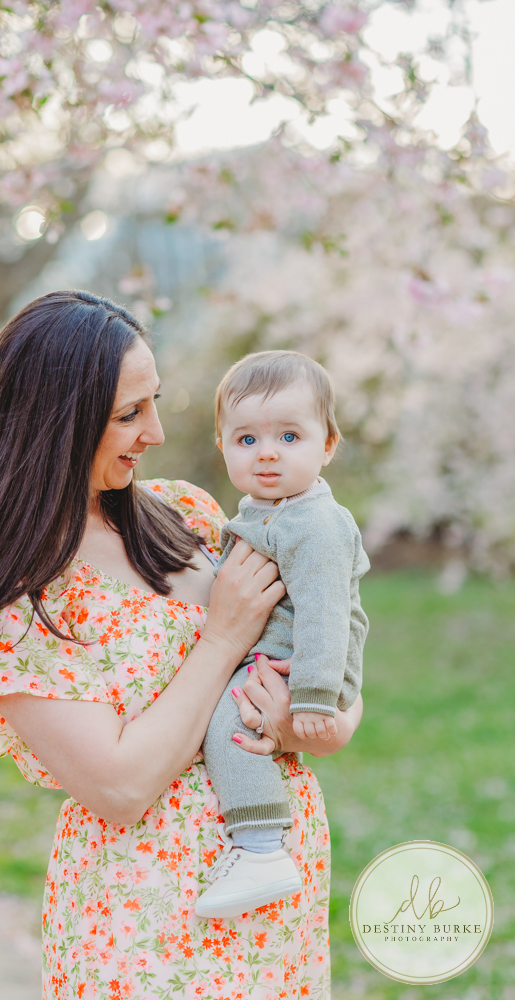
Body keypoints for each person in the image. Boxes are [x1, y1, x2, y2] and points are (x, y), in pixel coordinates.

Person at [0, 291, 363, 999]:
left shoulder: (185, 514)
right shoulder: (18, 595)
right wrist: (220, 637)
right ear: (53, 421)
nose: (154, 431)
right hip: (146, 920)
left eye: (153, 402)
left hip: (277, 895)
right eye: (128, 413)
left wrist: (311, 721)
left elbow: (324, 664)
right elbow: (118, 786)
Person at [195, 351, 369, 920]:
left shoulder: (312, 522)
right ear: (222, 447)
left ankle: (262, 850)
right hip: (279, 655)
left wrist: (318, 694)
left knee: (229, 727)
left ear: (328, 445)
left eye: (289, 435)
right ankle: (258, 841)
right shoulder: (271, 510)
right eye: (246, 439)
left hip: (299, 663)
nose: (267, 451)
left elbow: (325, 611)